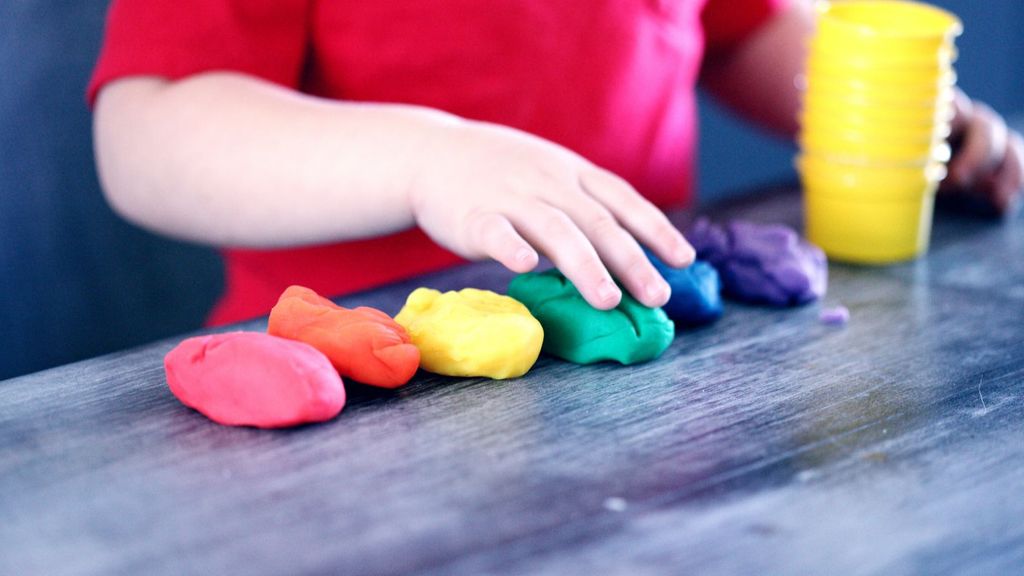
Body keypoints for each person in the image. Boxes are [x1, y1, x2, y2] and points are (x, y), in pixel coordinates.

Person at [89, 0, 1023, 326]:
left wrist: (895, 117)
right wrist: (430, 160)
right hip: (358, 395)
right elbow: (149, 131)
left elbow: (741, 32)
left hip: (647, 360)